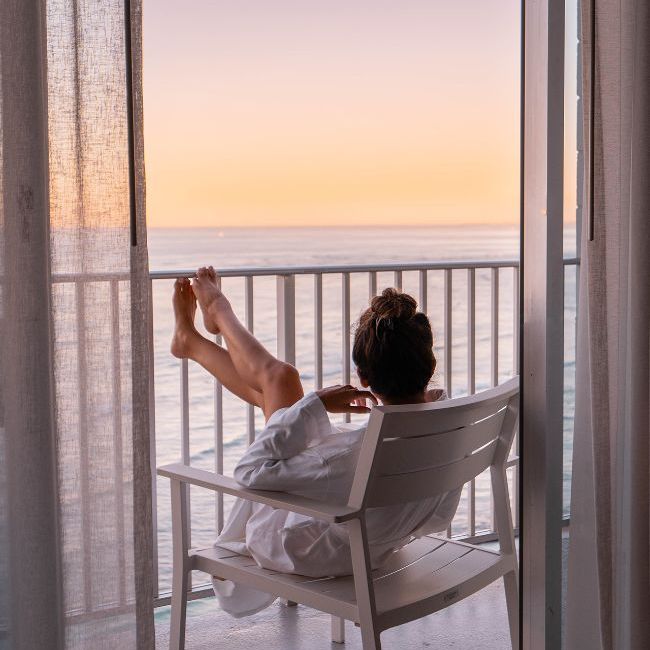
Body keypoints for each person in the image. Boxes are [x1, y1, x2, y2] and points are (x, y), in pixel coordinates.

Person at [171, 267, 462, 617]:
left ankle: (214, 315)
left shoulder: (350, 458)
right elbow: (438, 518)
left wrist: (316, 405)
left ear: (363, 377)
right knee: (278, 388)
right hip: (375, 540)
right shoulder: (448, 426)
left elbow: (249, 470)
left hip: (300, 546)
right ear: (430, 365)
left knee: (282, 378)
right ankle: (197, 336)